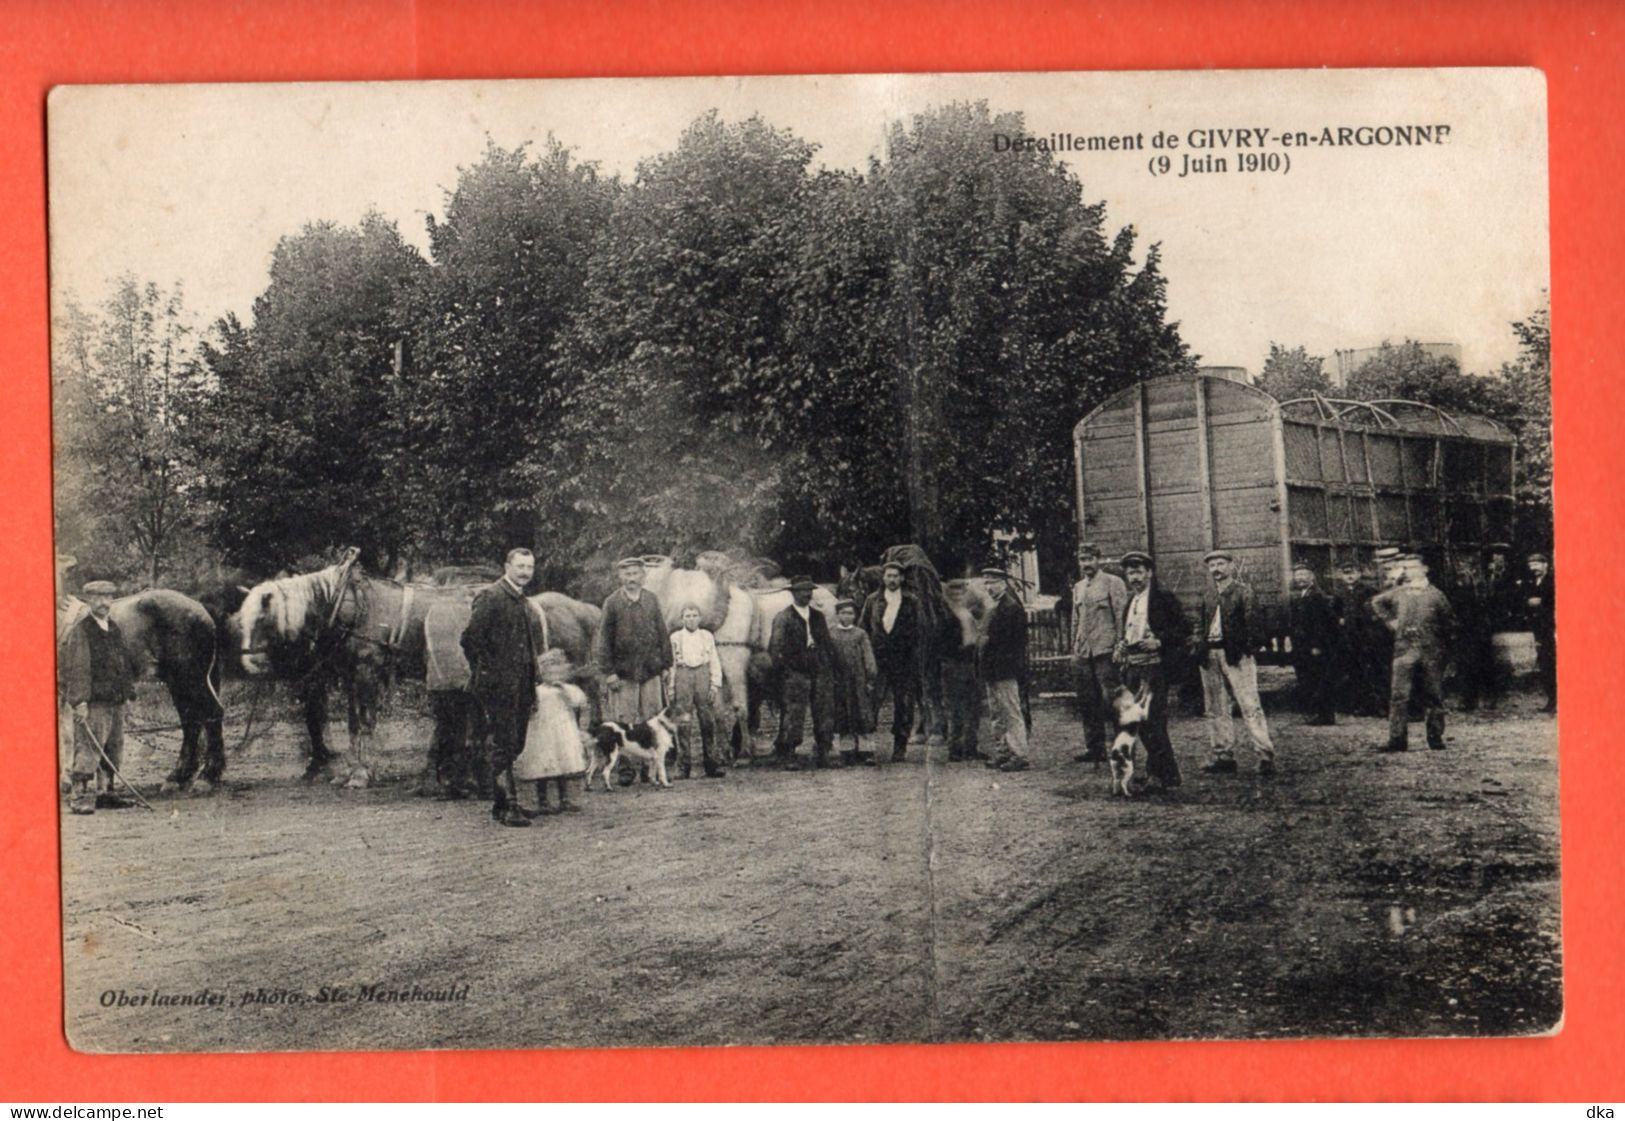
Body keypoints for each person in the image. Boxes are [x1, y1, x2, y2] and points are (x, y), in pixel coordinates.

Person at [461, 548, 548, 827]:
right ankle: (509, 805)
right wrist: (489, 674)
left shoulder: (522, 600)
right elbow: (470, 640)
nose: (525, 572)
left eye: (530, 567)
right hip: (498, 686)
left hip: (521, 685)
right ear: (507, 566)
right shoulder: (492, 596)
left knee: (515, 743)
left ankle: (501, 804)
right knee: (504, 741)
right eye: (520, 566)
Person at [1191, 550, 1276, 776]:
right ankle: (1223, 755)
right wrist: (1199, 646)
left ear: (1231, 566)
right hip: (1210, 655)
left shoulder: (1243, 592)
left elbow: (1254, 624)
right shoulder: (1207, 595)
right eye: (1212, 565)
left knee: (1249, 705)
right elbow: (1199, 625)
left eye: (1221, 564)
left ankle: (1265, 755)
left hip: (1236, 655)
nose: (1216, 569)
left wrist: (1245, 649)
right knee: (1216, 708)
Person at [60, 580, 138, 815]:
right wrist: (80, 702)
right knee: (89, 746)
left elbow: (123, 664)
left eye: (108, 598)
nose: (104, 603)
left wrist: (128, 692)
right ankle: (79, 795)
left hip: (115, 700)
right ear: (88, 601)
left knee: (114, 746)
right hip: (94, 702)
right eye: (97, 598)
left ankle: (106, 792)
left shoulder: (113, 628)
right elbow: (78, 669)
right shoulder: (82, 631)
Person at [1114, 551, 1189, 792]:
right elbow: (1129, 632)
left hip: (1154, 667)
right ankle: (1165, 773)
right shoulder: (1131, 601)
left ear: (1149, 573)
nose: (1134, 577)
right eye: (1130, 572)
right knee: (1137, 720)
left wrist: (1160, 641)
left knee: (1153, 721)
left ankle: (1160, 774)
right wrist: (1122, 645)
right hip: (1133, 667)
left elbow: (1183, 629)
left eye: (1138, 572)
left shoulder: (1163, 599)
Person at [1371, 554, 1456, 752]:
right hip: (1404, 651)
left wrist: (1442, 647)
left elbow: (1450, 623)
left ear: (1425, 569)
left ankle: (1435, 738)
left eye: (1413, 567)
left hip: (1431, 652)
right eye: (1405, 567)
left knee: (1434, 695)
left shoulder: (1436, 595)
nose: (1408, 571)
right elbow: (1376, 602)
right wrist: (1390, 622)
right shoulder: (1399, 592)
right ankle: (1397, 739)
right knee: (1399, 695)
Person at [769, 576, 840, 770]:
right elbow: (776, 648)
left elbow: (826, 642)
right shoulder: (784, 617)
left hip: (819, 668)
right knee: (794, 712)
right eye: (801, 590)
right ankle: (789, 753)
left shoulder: (818, 616)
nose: (806, 594)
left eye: (809, 590)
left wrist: (829, 664)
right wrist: (786, 669)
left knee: (824, 709)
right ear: (793, 593)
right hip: (795, 671)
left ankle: (823, 751)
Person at [594, 556, 672, 727]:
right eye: (627, 574)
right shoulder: (612, 603)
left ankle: (652, 754)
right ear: (621, 578)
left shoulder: (651, 600)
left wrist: (666, 665)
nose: (631, 578)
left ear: (643, 576)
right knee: (624, 722)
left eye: (635, 573)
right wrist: (609, 673)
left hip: (650, 670)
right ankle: (624, 754)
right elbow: (604, 640)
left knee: (654, 721)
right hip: (623, 673)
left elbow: (662, 633)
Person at [1068, 542, 1127, 763]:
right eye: (1082, 560)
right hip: (1084, 652)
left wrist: (1121, 646)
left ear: (1098, 559)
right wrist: (1075, 645)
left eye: (1090, 559)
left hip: (1106, 650)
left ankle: (1121, 747)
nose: (1086, 564)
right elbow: (1076, 619)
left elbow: (1121, 616)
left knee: (1111, 699)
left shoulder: (1113, 583)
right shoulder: (1078, 587)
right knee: (1086, 701)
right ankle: (1094, 748)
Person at [858, 560, 921, 762]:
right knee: (872, 703)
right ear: (883, 578)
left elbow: (920, 631)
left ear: (901, 578)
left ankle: (900, 748)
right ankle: (868, 749)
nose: (892, 579)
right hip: (878, 660)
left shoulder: (911, 601)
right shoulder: (873, 600)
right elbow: (863, 629)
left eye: (895, 576)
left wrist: (914, 655)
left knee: (904, 705)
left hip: (904, 661)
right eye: (888, 575)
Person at [514, 648, 589, 814]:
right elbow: (529, 708)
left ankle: (565, 799)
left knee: (563, 766)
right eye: (549, 674)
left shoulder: (568, 690)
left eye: (558, 673)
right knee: (544, 766)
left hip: (563, 731)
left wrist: (563, 689)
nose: (554, 677)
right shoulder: (537, 692)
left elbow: (579, 702)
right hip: (543, 733)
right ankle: (543, 800)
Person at [978, 566, 1031, 773]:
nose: (989, 587)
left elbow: (1014, 642)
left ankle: (1019, 754)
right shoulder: (997, 606)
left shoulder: (1010, 607)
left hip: (1006, 668)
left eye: (992, 583)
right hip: (993, 668)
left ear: (1003, 583)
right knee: (997, 712)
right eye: (987, 583)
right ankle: (1003, 751)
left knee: (1010, 712)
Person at [668, 603, 726, 778]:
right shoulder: (675, 637)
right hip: (683, 675)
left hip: (702, 675)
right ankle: (684, 766)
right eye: (687, 616)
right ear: (682, 619)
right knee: (683, 722)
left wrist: (714, 684)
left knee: (707, 721)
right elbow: (671, 665)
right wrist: (671, 687)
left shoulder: (706, 636)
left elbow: (714, 660)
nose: (691, 619)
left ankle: (712, 764)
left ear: (700, 618)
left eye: (694, 615)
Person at [828, 599, 880, 766]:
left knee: (862, 714)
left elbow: (869, 657)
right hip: (839, 682)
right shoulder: (831, 634)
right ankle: (846, 751)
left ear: (855, 615)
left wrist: (870, 678)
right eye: (843, 613)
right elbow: (827, 657)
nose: (847, 616)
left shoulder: (860, 634)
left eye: (850, 613)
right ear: (837, 615)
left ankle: (867, 750)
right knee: (843, 715)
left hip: (858, 681)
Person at [1447, 556, 1502, 712]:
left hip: (1480, 628)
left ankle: (1489, 698)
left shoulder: (1485, 583)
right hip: (1464, 628)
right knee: (1465, 665)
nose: (1464, 570)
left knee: (1485, 664)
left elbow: (1491, 604)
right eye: (1461, 567)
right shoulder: (1456, 584)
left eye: (1468, 567)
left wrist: (1487, 625)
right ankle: (1468, 699)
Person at [1288, 564, 1339, 725]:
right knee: (1309, 678)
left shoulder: (1317, 596)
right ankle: (1317, 713)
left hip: (1314, 646)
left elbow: (1321, 623)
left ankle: (1325, 715)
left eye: (1304, 574)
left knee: (1319, 678)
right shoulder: (1302, 595)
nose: (1300, 578)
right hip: (1303, 645)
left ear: (1312, 577)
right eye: (1297, 575)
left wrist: (1317, 645)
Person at [940, 579, 984, 762]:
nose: (958, 596)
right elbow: (941, 642)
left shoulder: (969, 612)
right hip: (954, 663)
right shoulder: (944, 615)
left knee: (974, 706)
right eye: (954, 593)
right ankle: (955, 748)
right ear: (949, 595)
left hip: (971, 661)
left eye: (961, 593)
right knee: (956, 707)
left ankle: (971, 747)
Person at [1331, 561, 1383, 716]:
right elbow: (1333, 612)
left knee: (1371, 671)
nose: (1349, 576)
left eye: (1353, 572)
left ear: (1359, 574)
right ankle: (1356, 705)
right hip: (1348, 638)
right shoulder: (1339, 593)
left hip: (1366, 638)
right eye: (1346, 573)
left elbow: (1377, 611)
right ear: (1341, 576)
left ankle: (1376, 705)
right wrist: (1339, 619)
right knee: (1352, 672)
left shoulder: (1369, 591)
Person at [1523, 552, 1556, 713]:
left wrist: (1541, 603)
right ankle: (1552, 699)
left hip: (1551, 628)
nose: (1533, 568)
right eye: (1531, 566)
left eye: (1536, 565)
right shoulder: (1533, 582)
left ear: (1545, 564)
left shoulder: (1553, 581)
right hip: (1540, 629)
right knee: (1545, 664)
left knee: (1552, 664)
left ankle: (1556, 700)